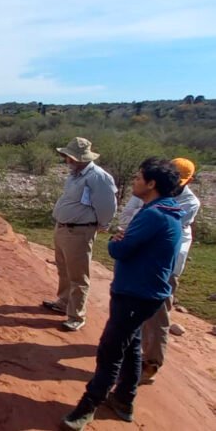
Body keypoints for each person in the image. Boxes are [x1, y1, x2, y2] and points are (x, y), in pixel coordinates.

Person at [61, 158, 183, 430]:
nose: (136, 181)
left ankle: (87, 407)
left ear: (152, 184)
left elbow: (120, 250)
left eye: (140, 178)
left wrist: (117, 242)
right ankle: (124, 401)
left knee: (110, 351)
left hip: (135, 293)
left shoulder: (153, 214)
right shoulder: (170, 210)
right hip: (147, 294)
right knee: (131, 346)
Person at [118, 158, 201, 384]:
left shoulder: (189, 202)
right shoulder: (146, 190)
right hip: (139, 258)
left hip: (166, 266)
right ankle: (132, 352)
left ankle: (151, 362)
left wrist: (135, 228)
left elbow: (158, 226)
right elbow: (127, 217)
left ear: (188, 181)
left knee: (158, 314)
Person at [43, 137, 117, 331]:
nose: (67, 160)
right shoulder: (76, 174)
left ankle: (76, 316)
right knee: (63, 268)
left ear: (81, 158)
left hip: (79, 231)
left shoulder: (98, 177)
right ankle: (63, 302)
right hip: (64, 228)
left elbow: (108, 205)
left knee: (78, 275)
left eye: (70, 157)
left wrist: (102, 225)